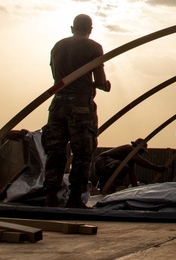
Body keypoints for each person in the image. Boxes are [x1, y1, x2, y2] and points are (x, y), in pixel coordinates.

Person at [42, 13, 111, 208]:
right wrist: (105, 85)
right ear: (90, 29)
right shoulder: (94, 47)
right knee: (82, 154)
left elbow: (56, 76)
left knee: (55, 151)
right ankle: (74, 197)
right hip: (80, 106)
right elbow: (99, 81)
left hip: (57, 105)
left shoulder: (58, 46)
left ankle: (51, 196)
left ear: (72, 28)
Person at [94, 139, 166, 194]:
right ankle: (109, 189)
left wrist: (136, 189)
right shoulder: (129, 149)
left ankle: (106, 191)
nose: (141, 154)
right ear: (137, 147)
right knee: (124, 167)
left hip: (104, 164)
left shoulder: (129, 160)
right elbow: (140, 161)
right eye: (141, 151)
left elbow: (132, 175)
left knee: (110, 178)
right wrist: (156, 168)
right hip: (103, 161)